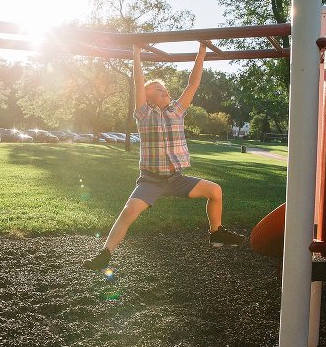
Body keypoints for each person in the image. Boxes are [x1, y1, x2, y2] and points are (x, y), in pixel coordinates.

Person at [83, 42, 245, 270]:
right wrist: (136, 53)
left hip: (176, 179)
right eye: (158, 90)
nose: (165, 91)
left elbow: (193, 83)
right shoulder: (143, 114)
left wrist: (201, 52)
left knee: (215, 191)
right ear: (148, 98)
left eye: (165, 89)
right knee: (128, 211)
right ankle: (105, 254)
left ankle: (216, 233)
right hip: (150, 180)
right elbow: (139, 82)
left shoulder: (177, 111)